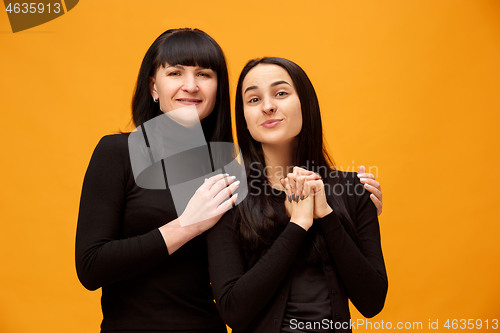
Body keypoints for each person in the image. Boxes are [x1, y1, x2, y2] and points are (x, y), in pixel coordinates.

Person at [75, 28, 384, 332]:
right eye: (175, 73)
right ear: (153, 87)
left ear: (218, 90)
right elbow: (91, 266)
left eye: (204, 74)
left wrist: (348, 206)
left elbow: (266, 245)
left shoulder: (228, 173)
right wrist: (188, 225)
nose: (191, 85)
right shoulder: (119, 152)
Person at [207, 57, 388, 333]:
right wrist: (298, 225)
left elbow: (372, 301)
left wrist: (325, 214)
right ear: (243, 119)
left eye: (281, 93)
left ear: (306, 104)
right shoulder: (228, 196)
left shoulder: (353, 188)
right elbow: (233, 310)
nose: (268, 106)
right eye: (253, 100)